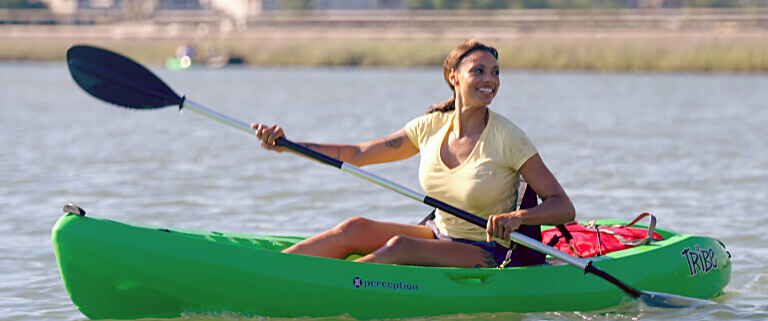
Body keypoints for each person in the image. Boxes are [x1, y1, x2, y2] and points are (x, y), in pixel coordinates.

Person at [251, 38, 575, 268]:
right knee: (355, 227)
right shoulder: (430, 127)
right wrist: (288, 145)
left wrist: (518, 218)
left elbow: (563, 207)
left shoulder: (509, 138)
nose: (490, 79)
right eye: (479, 71)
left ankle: (321, 285)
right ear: (454, 77)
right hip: (439, 234)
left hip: (488, 251)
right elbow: (359, 153)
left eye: (496, 72)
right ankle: (267, 271)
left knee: (400, 247)